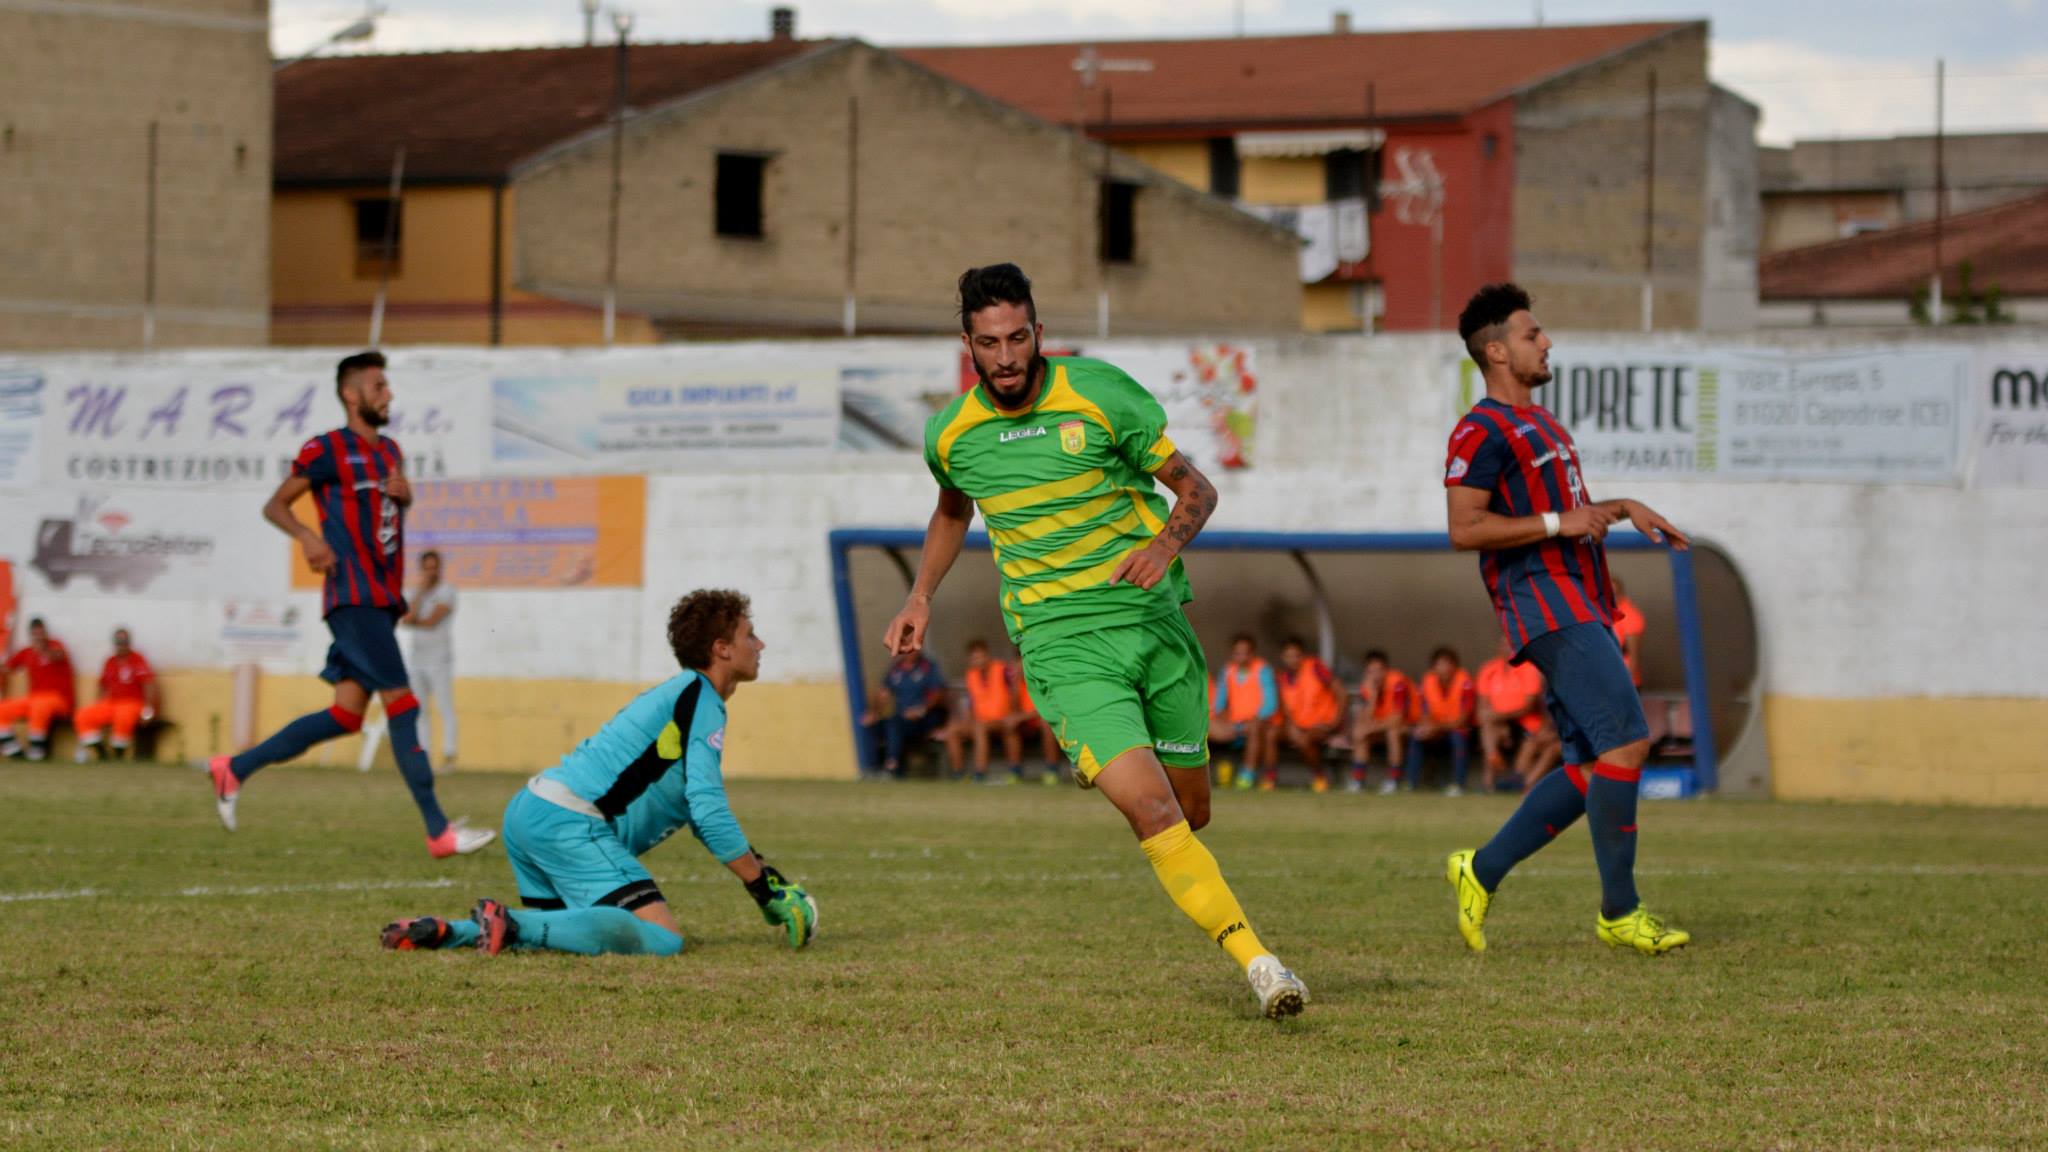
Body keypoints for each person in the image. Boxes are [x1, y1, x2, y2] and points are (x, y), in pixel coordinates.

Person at [881, 263, 1307, 1018]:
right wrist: (920, 596)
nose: (1006, 357)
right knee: (1153, 813)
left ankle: (1110, 765)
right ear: (967, 346)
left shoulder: (1102, 394)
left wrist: (1164, 548)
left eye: (1018, 338)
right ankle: (1262, 965)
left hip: (1153, 625)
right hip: (1059, 642)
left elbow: (1197, 488)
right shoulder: (952, 434)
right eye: (989, 344)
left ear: (1039, 332)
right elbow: (952, 510)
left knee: (1192, 812)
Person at [1441, 282, 1691, 956]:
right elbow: (1465, 528)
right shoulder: (1480, 430)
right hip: (1544, 604)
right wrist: (1560, 522)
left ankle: (1480, 869)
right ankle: (1620, 911)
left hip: (1582, 598)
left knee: (1589, 765)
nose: (1546, 342)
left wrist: (1623, 506)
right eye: (1532, 334)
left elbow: (1572, 514)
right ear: (1497, 352)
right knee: (1627, 742)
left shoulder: (1546, 425)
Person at [380, 589, 816, 957]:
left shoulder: (683, 698)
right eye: (749, 635)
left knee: (565, 937)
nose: (760, 645)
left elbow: (697, 813)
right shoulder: (701, 698)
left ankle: (444, 932)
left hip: (531, 811)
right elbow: (709, 808)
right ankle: (509, 922)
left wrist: (768, 878)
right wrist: (763, 890)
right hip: (569, 820)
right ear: (722, 648)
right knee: (664, 940)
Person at [205, 351, 493, 858]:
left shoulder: (390, 452)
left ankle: (234, 769)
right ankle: (438, 831)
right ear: (351, 394)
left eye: (387, 385)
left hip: (380, 599)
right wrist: (307, 537)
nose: (389, 394)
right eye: (379, 386)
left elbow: (386, 521)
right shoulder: (326, 449)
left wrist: (404, 499)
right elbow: (275, 505)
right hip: (352, 597)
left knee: (344, 716)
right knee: (402, 704)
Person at [400, 549, 459, 768]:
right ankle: (423, 755)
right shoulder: (416, 593)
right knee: (420, 710)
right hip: (417, 659)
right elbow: (406, 618)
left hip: (439, 658)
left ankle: (449, 754)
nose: (431, 572)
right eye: (427, 568)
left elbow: (432, 621)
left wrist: (414, 621)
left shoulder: (447, 591)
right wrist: (420, 592)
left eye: (434, 568)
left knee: (444, 707)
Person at [945, 639, 1030, 783]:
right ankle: (959, 775)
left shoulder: (1003, 670)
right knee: (952, 731)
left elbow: (1015, 693)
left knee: (980, 728)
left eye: (981, 656)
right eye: (974, 658)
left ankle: (980, 774)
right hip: (980, 721)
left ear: (988, 655)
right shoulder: (971, 675)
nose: (978, 661)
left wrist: (1013, 715)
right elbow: (970, 702)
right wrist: (966, 721)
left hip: (1001, 720)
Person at [73, 627, 160, 762]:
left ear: (129, 643)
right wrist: (100, 704)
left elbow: (149, 685)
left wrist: (148, 711)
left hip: (132, 702)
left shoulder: (137, 659)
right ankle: (101, 752)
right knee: (83, 715)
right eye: (118, 642)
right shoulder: (110, 661)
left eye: (124, 642)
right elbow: (102, 685)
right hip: (112, 703)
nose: (121, 645)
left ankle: (118, 754)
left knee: (123, 716)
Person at [1475, 635, 1549, 792]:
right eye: (1504, 645)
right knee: (1488, 726)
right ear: (1498, 647)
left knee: (1524, 758)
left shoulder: (1529, 668)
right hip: (1498, 724)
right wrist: (1498, 721)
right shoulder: (1489, 669)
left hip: (1525, 724)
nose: (1507, 648)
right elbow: (1483, 704)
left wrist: (1499, 717)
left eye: (1511, 645)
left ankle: (1513, 780)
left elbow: (1528, 707)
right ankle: (1490, 776)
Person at [1209, 633, 1278, 791]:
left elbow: (1270, 703)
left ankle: (1247, 774)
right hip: (1234, 724)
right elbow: (1219, 701)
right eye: (1237, 653)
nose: (1241, 657)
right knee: (1206, 726)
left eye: (1245, 653)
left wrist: (1255, 718)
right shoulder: (1228, 670)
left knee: (1255, 728)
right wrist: (1220, 717)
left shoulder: (1263, 669)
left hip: (1257, 722)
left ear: (1252, 653)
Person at [0, 618, 74, 761]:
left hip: (58, 699)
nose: (38, 636)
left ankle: (37, 751)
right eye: (35, 633)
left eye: (41, 633)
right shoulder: (28, 651)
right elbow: (7, 667)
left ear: (45, 632)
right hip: (34, 698)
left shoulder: (56, 645)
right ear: (31, 634)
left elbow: (58, 655)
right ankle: (14, 751)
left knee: (39, 707)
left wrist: (43, 649)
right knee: (3, 709)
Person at [1405, 647, 1477, 795]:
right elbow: (1424, 713)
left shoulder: (1466, 683)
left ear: (1455, 666)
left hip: (1461, 730)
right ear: (1433, 667)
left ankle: (1459, 784)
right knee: (1416, 736)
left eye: (1447, 664)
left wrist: (1437, 727)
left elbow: (1463, 720)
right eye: (1440, 664)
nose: (1444, 668)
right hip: (1437, 729)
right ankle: (1411, 784)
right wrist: (1426, 728)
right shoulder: (1428, 681)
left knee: (1458, 738)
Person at [1276, 636, 1343, 792]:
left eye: (1297, 655)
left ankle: (1319, 777)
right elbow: (1285, 709)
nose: (1293, 660)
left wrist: (1335, 722)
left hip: (1322, 725)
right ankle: (1268, 778)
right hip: (1299, 726)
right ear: (1283, 657)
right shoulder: (1282, 678)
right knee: (1270, 734)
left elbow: (1342, 694)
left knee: (1305, 740)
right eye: (1289, 656)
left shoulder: (1315, 668)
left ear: (1303, 655)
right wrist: (1291, 726)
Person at [866, 649, 948, 779]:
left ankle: (891, 766)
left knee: (894, 725)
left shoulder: (928, 667)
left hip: (923, 719)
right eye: (905, 649)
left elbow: (937, 694)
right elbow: (883, 694)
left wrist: (920, 710)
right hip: (901, 720)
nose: (909, 652)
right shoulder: (896, 669)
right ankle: (873, 767)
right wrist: (874, 713)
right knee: (875, 726)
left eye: (912, 649)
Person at [1347, 650, 1415, 793]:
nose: (1375, 675)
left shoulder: (1398, 684)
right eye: (1371, 672)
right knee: (1360, 733)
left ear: (1386, 670)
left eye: (1379, 671)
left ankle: (1393, 780)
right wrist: (1372, 696)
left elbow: (1397, 719)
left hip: (1409, 725)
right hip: (1381, 726)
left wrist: (1369, 728)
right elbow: (1363, 720)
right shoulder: (1367, 687)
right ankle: (1358, 780)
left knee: (1392, 733)